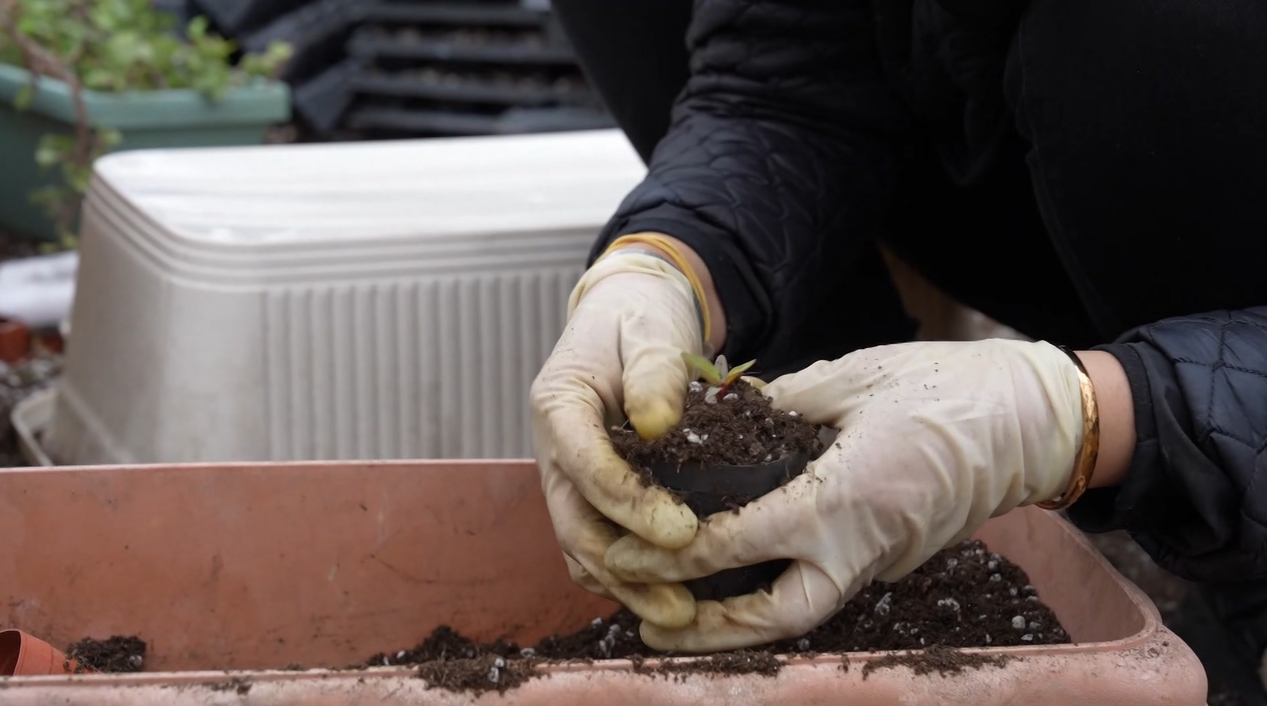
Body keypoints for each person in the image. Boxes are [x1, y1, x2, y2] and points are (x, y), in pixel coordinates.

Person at [530, 0, 1267, 701]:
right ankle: (831, 488)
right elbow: (783, 80)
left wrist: (1087, 410)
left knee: (1145, 32)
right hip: (1030, 179)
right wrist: (667, 260)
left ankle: (1230, 538)